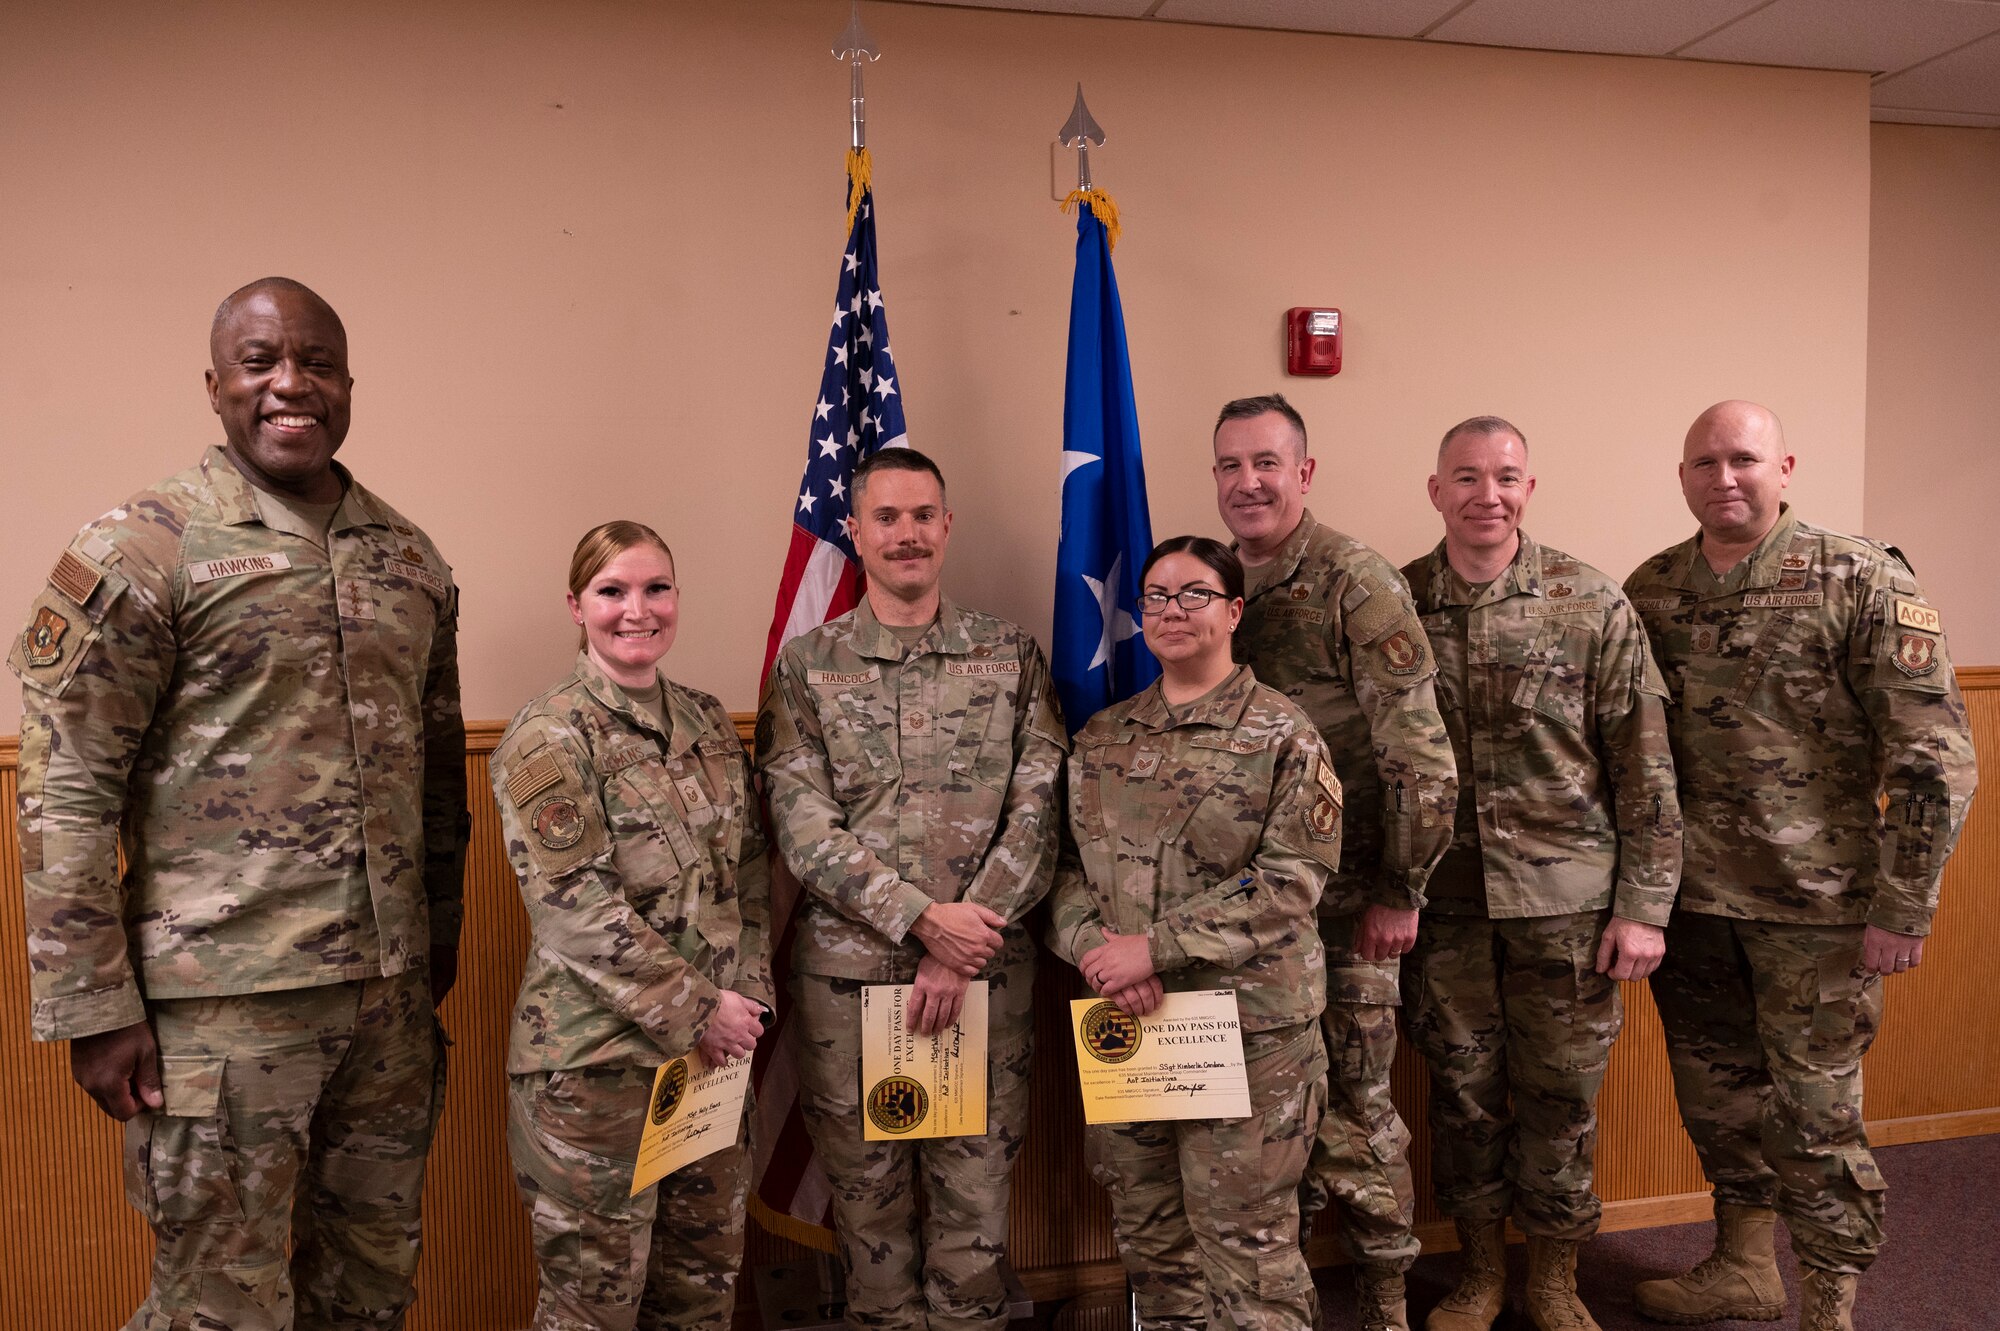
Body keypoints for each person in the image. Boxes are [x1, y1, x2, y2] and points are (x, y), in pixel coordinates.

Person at [9, 277, 467, 1328]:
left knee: (370, 1290)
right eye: (259, 362)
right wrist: (93, 1006)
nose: (289, 384)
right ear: (214, 384)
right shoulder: (145, 546)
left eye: (315, 362)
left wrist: (436, 941)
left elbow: (439, 774)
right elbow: (66, 787)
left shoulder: (408, 556)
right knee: (221, 1306)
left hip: (387, 1012)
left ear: (349, 383)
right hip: (222, 1011)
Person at [1624, 400, 1978, 1330]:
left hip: (1818, 909)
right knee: (1717, 1098)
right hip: (1691, 904)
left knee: (1816, 1116)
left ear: (1786, 465)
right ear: (1683, 476)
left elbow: (1935, 758)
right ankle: (1745, 1267)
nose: (1724, 477)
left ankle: (1831, 1301)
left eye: (1743, 458)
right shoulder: (1654, 586)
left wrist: (1905, 904)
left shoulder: (1858, 577)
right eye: (1704, 461)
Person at [755, 447, 1067, 1331]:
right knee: (869, 1222)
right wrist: (924, 921)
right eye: (886, 518)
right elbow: (802, 824)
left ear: (947, 524)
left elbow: (1040, 812)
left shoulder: (1009, 657)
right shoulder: (808, 666)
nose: (906, 534)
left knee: (975, 1220)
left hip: (983, 981)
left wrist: (961, 948)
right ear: (853, 532)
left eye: (923, 514)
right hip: (851, 990)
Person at [1399, 418, 1682, 1331]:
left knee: (1561, 1099)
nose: (1489, 493)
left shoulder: (1589, 601)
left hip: (1567, 907)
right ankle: (1480, 1273)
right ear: (1436, 490)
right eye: (1468, 477)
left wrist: (1644, 908)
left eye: (1507, 476)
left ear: (1530, 488)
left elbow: (1644, 765)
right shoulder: (1395, 605)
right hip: (1444, 907)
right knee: (1463, 1094)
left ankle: (1555, 1278)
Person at [1049, 535, 1340, 1331]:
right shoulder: (1104, 737)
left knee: (1247, 1252)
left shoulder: (1284, 734)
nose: (1172, 611)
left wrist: (1155, 947)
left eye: (1194, 594)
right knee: (1154, 1246)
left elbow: (1291, 880)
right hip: (1131, 1025)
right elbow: (1062, 874)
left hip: (1248, 1035)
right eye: (1155, 597)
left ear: (1234, 610)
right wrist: (1098, 954)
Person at [490, 521, 772, 1331]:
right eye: (612, 591)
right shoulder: (550, 734)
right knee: (595, 1306)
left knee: (699, 1292)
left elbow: (748, 872)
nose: (636, 610)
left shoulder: (710, 722)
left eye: (655, 589)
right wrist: (698, 1008)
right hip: (595, 1068)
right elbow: (575, 908)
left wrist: (743, 1000)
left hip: (713, 1055)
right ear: (576, 605)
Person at [1212, 393, 1453, 1330]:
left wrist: (1402, 889)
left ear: (1303, 472)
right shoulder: (1213, 577)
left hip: (1349, 905)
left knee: (1356, 1102)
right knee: (1265, 1114)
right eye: (1231, 465)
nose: (1249, 481)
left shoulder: (1356, 579)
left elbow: (1419, 754)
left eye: (1267, 462)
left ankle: (1387, 1299)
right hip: (1249, 905)